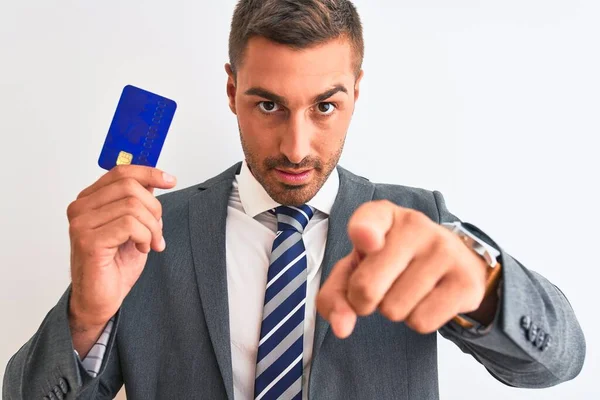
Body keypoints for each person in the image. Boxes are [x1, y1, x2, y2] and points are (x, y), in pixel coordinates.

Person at [3, 1, 586, 399]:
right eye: (268, 105)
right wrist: (85, 316)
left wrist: (485, 286)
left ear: (357, 91)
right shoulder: (150, 233)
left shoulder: (420, 224)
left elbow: (559, 362)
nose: (296, 146)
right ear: (232, 90)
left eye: (325, 106)